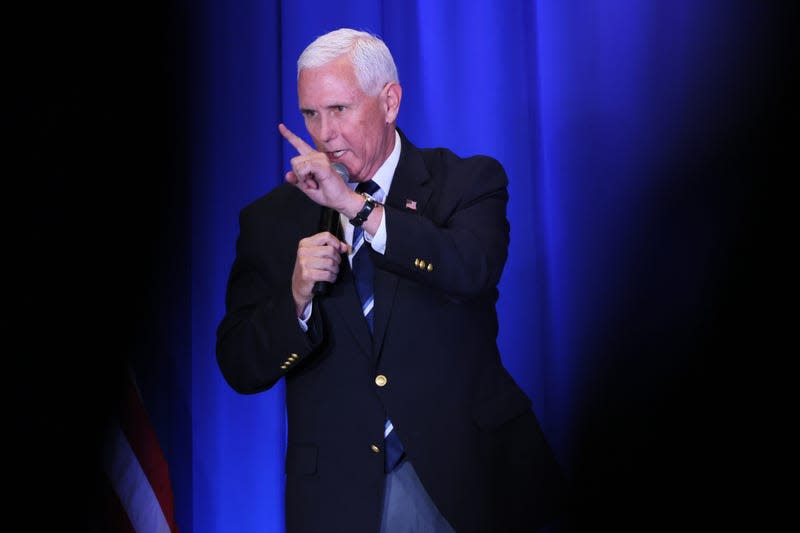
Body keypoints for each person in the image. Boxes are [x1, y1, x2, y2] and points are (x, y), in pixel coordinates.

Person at [216, 28, 566, 532]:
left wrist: (353, 207)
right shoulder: (271, 220)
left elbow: (469, 269)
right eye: (311, 114)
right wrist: (294, 300)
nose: (324, 133)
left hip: (469, 480)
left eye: (339, 109)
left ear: (390, 101)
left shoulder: (466, 183)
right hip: (340, 498)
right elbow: (239, 366)